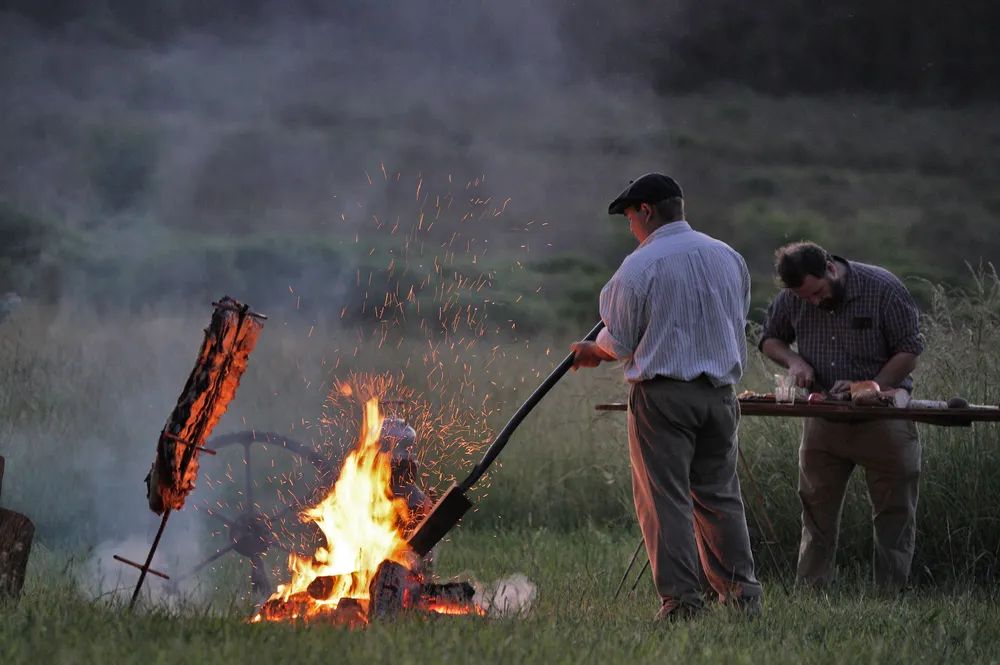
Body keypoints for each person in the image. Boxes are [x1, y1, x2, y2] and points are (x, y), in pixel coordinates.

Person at [571, 173, 762, 620]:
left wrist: (591, 351)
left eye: (630, 218)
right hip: (720, 396)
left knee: (666, 500)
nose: (631, 228)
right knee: (719, 496)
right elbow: (734, 319)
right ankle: (742, 597)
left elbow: (617, 342)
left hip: (663, 397)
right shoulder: (727, 257)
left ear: (646, 211)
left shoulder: (639, 266)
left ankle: (681, 603)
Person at [758, 241, 923, 591]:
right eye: (806, 299)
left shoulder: (883, 288)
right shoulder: (794, 297)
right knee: (815, 513)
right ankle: (811, 592)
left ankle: (891, 592)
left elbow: (909, 348)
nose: (814, 302)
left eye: (817, 292)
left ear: (830, 268)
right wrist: (795, 361)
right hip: (824, 420)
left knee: (894, 513)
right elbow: (770, 339)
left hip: (883, 420)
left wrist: (872, 387)